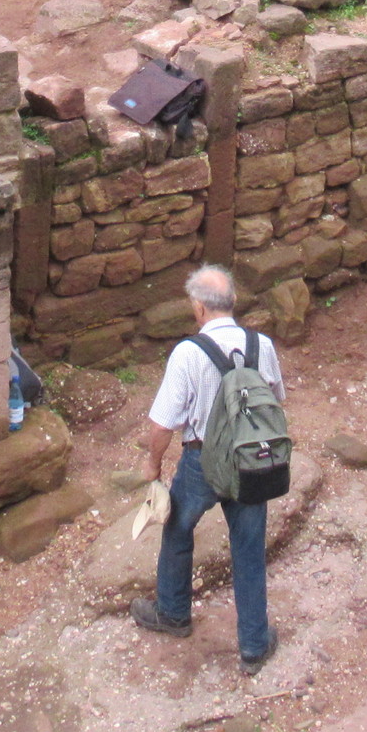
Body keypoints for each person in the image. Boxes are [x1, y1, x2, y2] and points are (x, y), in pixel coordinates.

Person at [130, 264, 284, 675]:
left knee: (177, 528)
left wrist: (153, 463)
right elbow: (275, 401)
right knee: (249, 547)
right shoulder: (261, 345)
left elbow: (163, 424)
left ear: (198, 307)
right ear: (232, 301)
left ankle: (173, 612)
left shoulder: (188, 353)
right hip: (250, 459)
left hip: (201, 460)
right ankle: (254, 645)